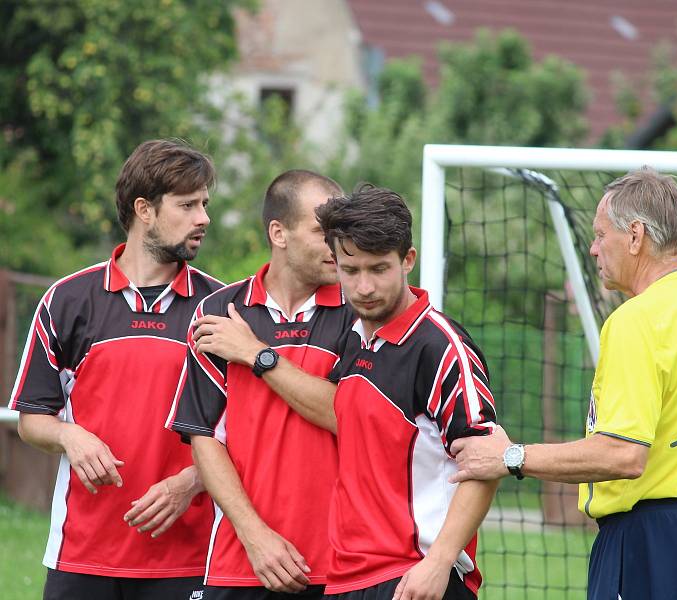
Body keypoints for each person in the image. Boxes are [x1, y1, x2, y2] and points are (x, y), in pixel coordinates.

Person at [450, 167, 677, 600]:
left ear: (636, 236)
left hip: (657, 542)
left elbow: (622, 454)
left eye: (601, 235)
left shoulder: (637, 319)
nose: (593, 248)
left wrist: (510, 457)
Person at [8, 139, 222, 599]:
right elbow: (32, 420)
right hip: (81, 555)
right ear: (144, 210)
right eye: (187, 205)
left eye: (204, 204)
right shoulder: (66, 301)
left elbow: (248, 433)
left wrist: (193, 481)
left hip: (189, 558)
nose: (203, 217)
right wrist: (70, 435)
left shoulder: (222, 310)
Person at [167, 170, 353, 600]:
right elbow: (203, 436)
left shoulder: (359, 310)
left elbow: (347, 417)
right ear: (279, 233)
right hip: (241, 562)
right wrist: (255, 536)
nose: (338, 246)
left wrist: (257, 355)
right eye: (323, 232)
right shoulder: (218, 310)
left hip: (339, 567)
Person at [314, 184, 499, 600]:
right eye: (351, 270)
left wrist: (437, 563)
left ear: (407, 260)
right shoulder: (351, 339)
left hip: (415, 578)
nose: (363, 287)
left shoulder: (441, 347)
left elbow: (485, 465)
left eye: (378, 269)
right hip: (345, 577)